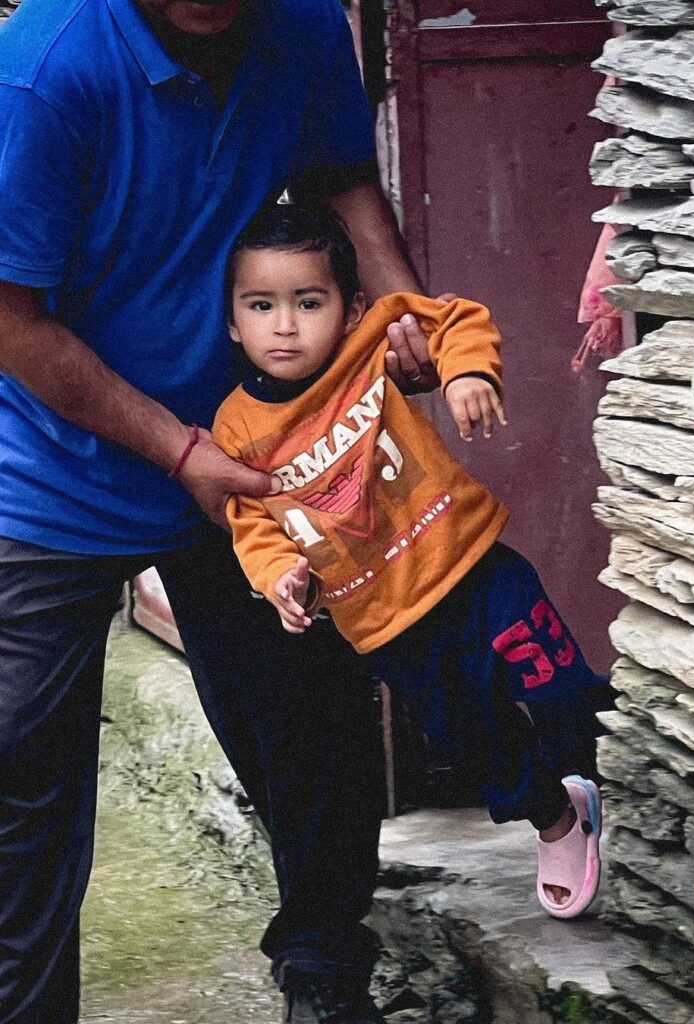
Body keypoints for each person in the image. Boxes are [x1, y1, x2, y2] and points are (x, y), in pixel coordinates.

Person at [0, 2, 438, 1023]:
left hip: (249, 454)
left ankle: (327, 980)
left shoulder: (301, 28)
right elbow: (10, 318)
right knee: (21, 778)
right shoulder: (43, 71)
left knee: (315, 716)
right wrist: (176, 448)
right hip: (47, 473)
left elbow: (343, 177)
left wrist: (405, 307)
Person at [212, 203, 615, 961]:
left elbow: (455, 318)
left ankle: (597, 777)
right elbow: (251, 517)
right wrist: (280, 578)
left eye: (309, 301)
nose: (286, 326)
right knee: (474, 740)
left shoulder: (372, 339)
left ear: (350, 306)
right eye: (260, 306)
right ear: (233, 322)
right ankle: (556, 818)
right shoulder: (236, 427)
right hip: (388, 625)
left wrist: (465, 373)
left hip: (471, 568)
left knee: (560, 689)